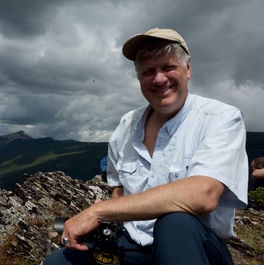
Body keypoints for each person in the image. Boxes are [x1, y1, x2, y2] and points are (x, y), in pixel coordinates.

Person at [44, 27, 248, 265]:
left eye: (169, 67)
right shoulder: (127, 125)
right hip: (132, 244)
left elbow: (204, 195)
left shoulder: (221, 118)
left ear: (188, 69)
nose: (159, 79)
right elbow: (119, 188)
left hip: (195, 247)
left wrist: (99, 212)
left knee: (174, 222)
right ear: (139, 78)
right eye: (148, 71)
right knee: (58, 263)